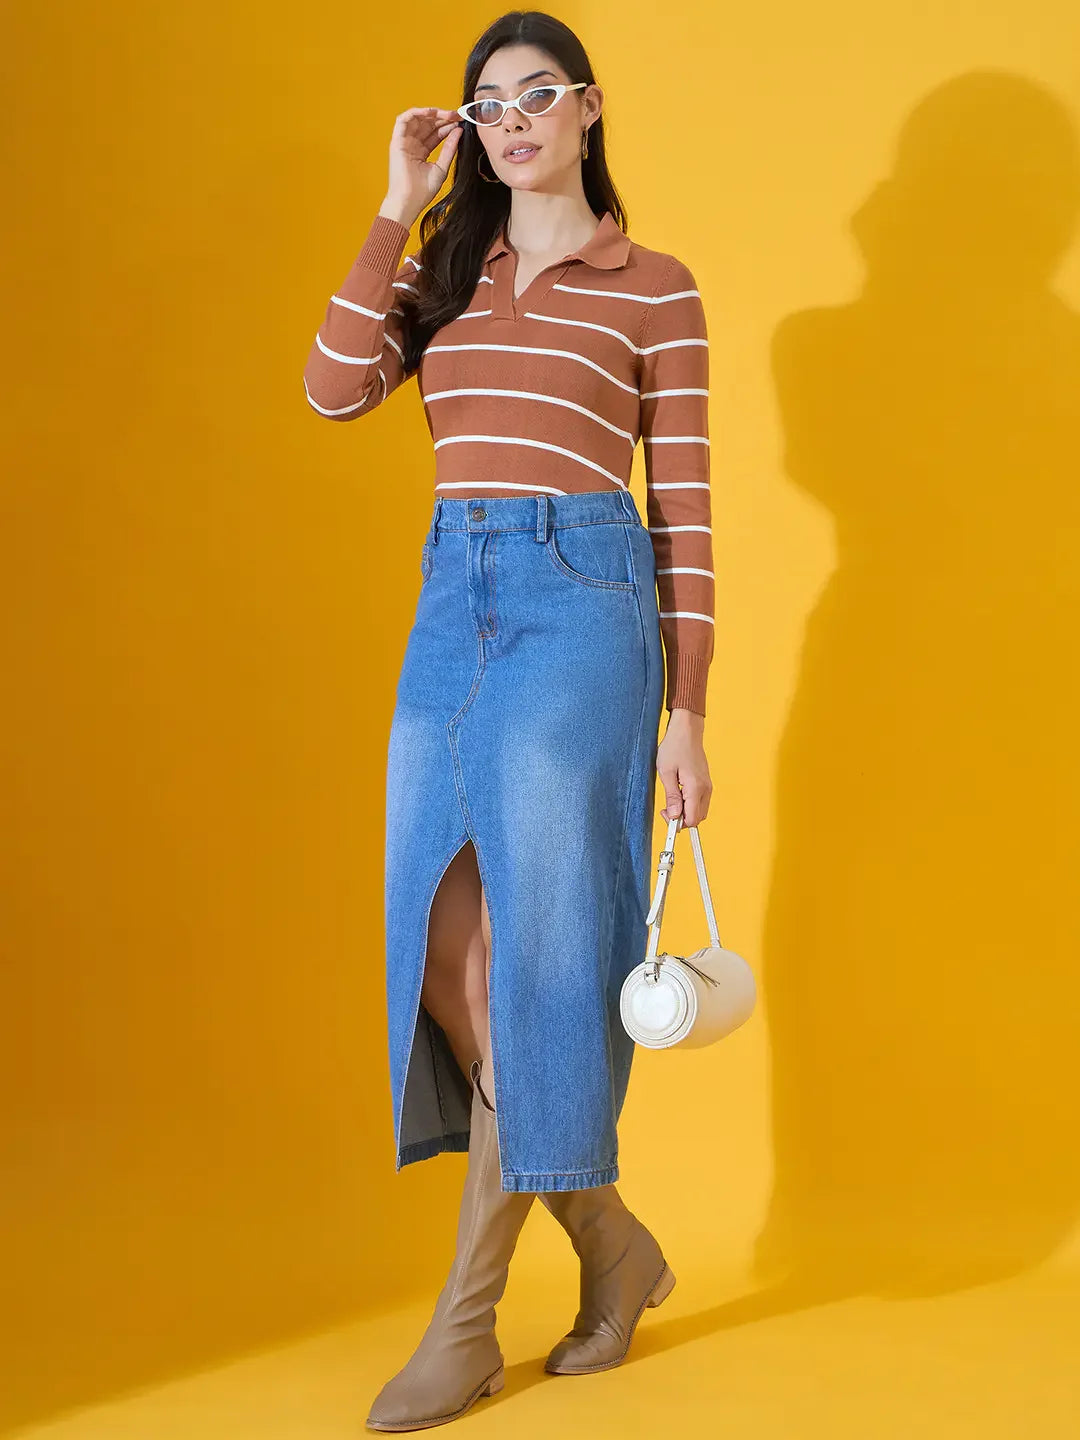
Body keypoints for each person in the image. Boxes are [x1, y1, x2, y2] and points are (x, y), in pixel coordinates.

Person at [303, 10, 714, 1430]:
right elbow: (332, 388)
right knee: (446, 953)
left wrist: (688, 713)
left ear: (589, 109)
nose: (515, 120)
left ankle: (467, 1325)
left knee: (540, 963)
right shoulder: (448, 271)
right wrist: (395, 203)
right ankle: (615, 1245)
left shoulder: (653, 285)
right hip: (451, 597)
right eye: (490, 105)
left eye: (540, 97)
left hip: (584, 602)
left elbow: (691, 513)